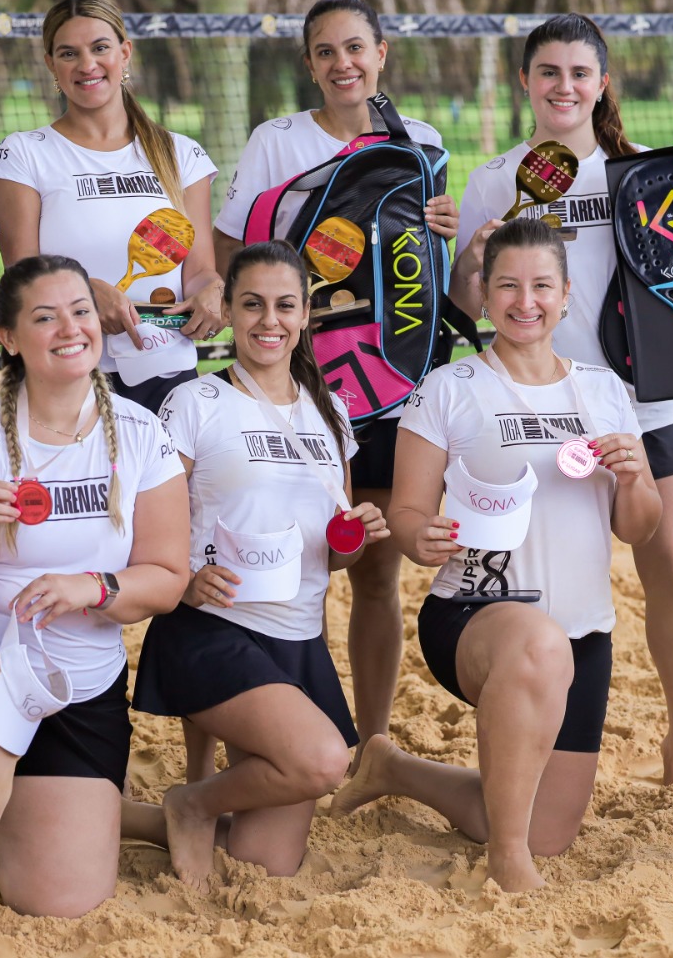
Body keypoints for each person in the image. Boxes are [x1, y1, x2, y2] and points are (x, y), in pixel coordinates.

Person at [450, 13, 673, 787]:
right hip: (540, 405)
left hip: (646, 401)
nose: (564, 86)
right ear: (524, 82)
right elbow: (464, 300)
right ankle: (541, 729)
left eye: (579, 73)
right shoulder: (497, 178)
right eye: (548, 71)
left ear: (602, 84)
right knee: (541, 575)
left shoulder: (642, 173)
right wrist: (473, 253)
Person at [331, 219, 662, 892]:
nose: (525, 300)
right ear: (484, 295)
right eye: (507, 284)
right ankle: (508, 863)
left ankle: (393, 768)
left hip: (583, 632)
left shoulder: (604, 392)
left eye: (541, 285)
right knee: (536, 650)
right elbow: (407, 513)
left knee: (551, 830)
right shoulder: (450, 389)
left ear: (566, 294)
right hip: (476, 613)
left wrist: (633, 479)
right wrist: (419, 534)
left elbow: (640, 526)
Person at [0, 254, 190, 942]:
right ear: (8, 337)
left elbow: (167, 577)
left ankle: (31, 802)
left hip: (77, 679)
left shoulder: (142, 436)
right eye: (45, 316)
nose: (69, 327)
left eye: (81, 310)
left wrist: (97, 587)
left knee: (56, 896)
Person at [211, 0, 459, 760]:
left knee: (375, 570)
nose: (342, 63)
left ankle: (373, 740)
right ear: (310, 65)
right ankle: (285, 731)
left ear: (382, 53)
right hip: (303, 389)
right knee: (295, 561)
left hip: (393, 381)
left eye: (356, 48)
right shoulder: (275, 141)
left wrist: (445, 232)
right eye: (325, 52)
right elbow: (230, 254)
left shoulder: (419, 141)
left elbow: (427, 274)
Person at [133, 241, 388, 888]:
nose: (268, 320)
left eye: (284, 305)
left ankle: (153, 815)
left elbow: (332, 554)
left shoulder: (329, 414)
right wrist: (184, 580)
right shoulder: (195, 402)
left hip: (296, 640)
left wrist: (358, 535)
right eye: (251, 304)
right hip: (212, 628)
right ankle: (190, 803)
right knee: (323, 760)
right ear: (229, 310)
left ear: (306, 314)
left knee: (262, 860)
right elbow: (147, 522)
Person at [0, 0, 222, 413]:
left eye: (100, 48)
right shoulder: (24, 154)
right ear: (50, 65)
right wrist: (87, 294)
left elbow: (200, 270)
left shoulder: (180, 153)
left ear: (124, 53)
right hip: (66, 372)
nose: (87, 64)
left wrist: (212, 293)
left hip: (167, 374)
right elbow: (19, 277)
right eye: (68, 53)